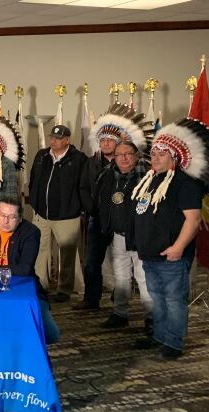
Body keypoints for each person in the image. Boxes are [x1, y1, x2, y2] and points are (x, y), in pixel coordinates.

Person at [131, 118, 209, 359]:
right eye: (154, 152)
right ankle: (159, 336)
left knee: (173, 301)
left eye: (162, 153)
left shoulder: (185, 183)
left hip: (172, 256)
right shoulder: (150, 180)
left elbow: (192, 220)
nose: (156, 157)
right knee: (157, 300)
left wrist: (178, 247)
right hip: (150, 254)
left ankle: (173, 342)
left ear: (174, 156)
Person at [75, 104, 152, 312]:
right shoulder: (95, 165)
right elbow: (84, 188)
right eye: (102, 140)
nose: (106, 143)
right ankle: (98, 303)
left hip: (133, 228)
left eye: (110, 140)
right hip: (100, 220)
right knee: (98, 264)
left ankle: (141, 314)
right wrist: (94, 210)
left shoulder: (142, 171)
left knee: (137, 273)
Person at [0, 196, 60, 343]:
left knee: (51, 334)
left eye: (12, 217)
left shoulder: (31, 232)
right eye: (2, 215)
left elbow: (24, 269)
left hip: (22, 285)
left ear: (20, 218)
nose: (6, 221)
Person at [28, 124, 91, 302]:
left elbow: (84, 186)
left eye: (57, 138)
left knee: (67, 253)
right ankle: (41, 285)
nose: (53, 141)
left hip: (67, 215)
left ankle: (64, 289)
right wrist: (35, 201)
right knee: (40, 251)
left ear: (67, 140)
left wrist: (79, 207)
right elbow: (34, 180)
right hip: (42, 214)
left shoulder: (79, 159)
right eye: (52, 137)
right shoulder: (42, 156)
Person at [97, 139, 152, 331]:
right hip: (118, 235)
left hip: (141, 236)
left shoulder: (148, 176)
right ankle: (120, 314)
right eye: (119, 154)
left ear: (136, 156)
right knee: (120, 277)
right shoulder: (109, 175)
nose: (124, 158)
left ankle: (151, 318)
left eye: (128, 154)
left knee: (143, 278)